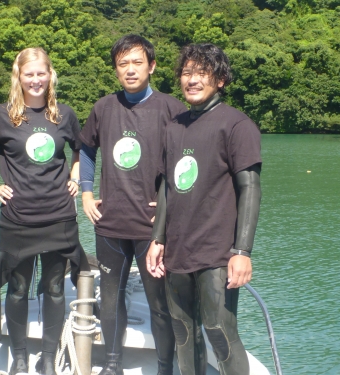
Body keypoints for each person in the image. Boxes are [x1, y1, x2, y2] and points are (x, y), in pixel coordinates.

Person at [147, 43, 262, 375]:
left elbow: (250, 188)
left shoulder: (236, 126)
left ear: (220, 79)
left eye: (201, 73)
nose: (192, 80)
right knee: (184, 333)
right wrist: (158, 239)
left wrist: (242, 250)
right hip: (179, 252)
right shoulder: (174, 126)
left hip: (217, 253)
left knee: (220, 333)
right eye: (186, 73)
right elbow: (167, 187)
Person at [79, 34, 186, 375]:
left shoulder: (172, 109)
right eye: (122, 64)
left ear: (152, 66)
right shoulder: (103, 108)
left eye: (137, 62)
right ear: (115, 70)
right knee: (109, 300)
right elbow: (85, 149)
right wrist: (84, 192)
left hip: (152, 229)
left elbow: (190, 162)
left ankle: (164, 367)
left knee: (159, 304)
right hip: (110, 224)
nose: (130, 69)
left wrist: (174, 205)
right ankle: (112, 365)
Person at [0, 47, 87, 375]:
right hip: (18, 220)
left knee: (55, 289)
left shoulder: (65, 115)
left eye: (42, 73)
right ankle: (21, 357)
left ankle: (49, 359)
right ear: (19, 76)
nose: (36, 80)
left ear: (50, 75)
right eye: (29, 74)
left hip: (59, 216)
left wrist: (74, 176)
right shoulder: (0, 115)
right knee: (17, 288)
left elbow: (82, 150)